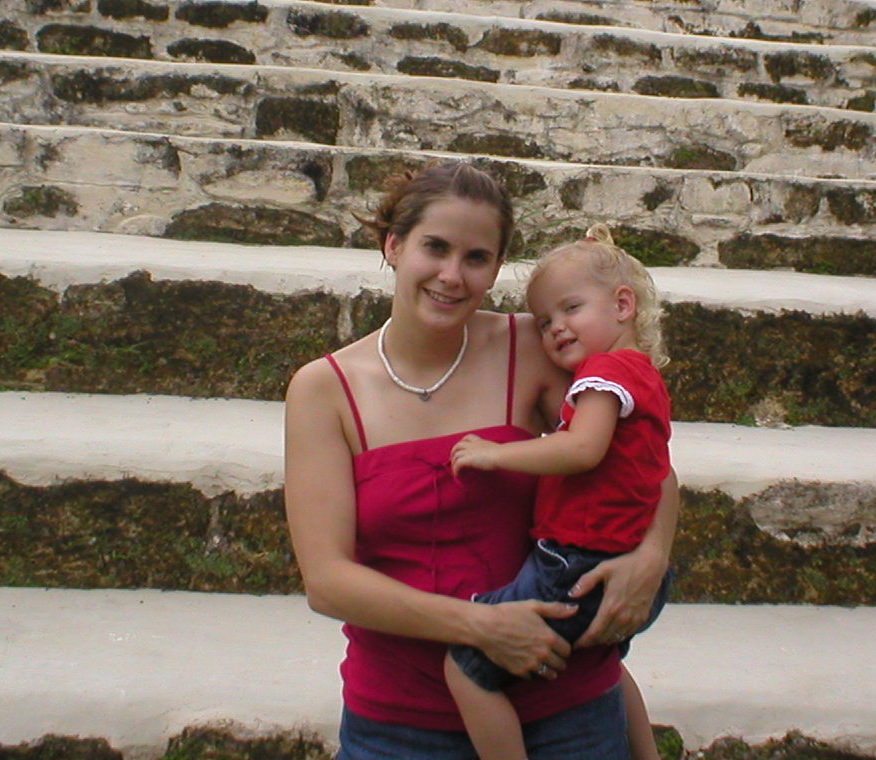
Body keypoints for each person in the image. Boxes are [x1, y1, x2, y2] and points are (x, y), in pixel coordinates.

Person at [284, 161, 677, 759]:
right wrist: (481, 628)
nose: (451, 275)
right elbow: (328, 581)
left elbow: (644, 464)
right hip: (398, 723)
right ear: (394, 246)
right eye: (434, 248)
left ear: (495, 269)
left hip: (565, 706)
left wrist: (650, 558)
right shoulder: (323, 389)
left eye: (476, 257)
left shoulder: (534, 345)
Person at [446, 226, 672, 760]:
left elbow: (581, 450)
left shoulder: (606, 373)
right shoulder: (640, 374)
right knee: (605, 668)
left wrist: (495, 453)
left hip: (576, 563)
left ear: (623, 305)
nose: (555, 329)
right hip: (612, 559)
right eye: (545, 321)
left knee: (466, 665)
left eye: (571, 309)